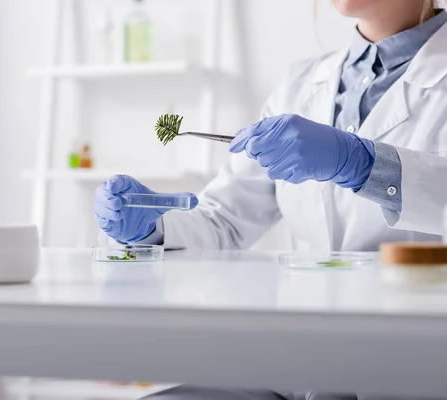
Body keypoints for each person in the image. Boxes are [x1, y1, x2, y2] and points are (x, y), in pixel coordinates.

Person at [94, 0, 447, 398]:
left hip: (415, 369)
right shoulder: (302, 83)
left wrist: (367, 165)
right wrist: (153, 226)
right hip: (296, 362)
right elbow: (224, 221)